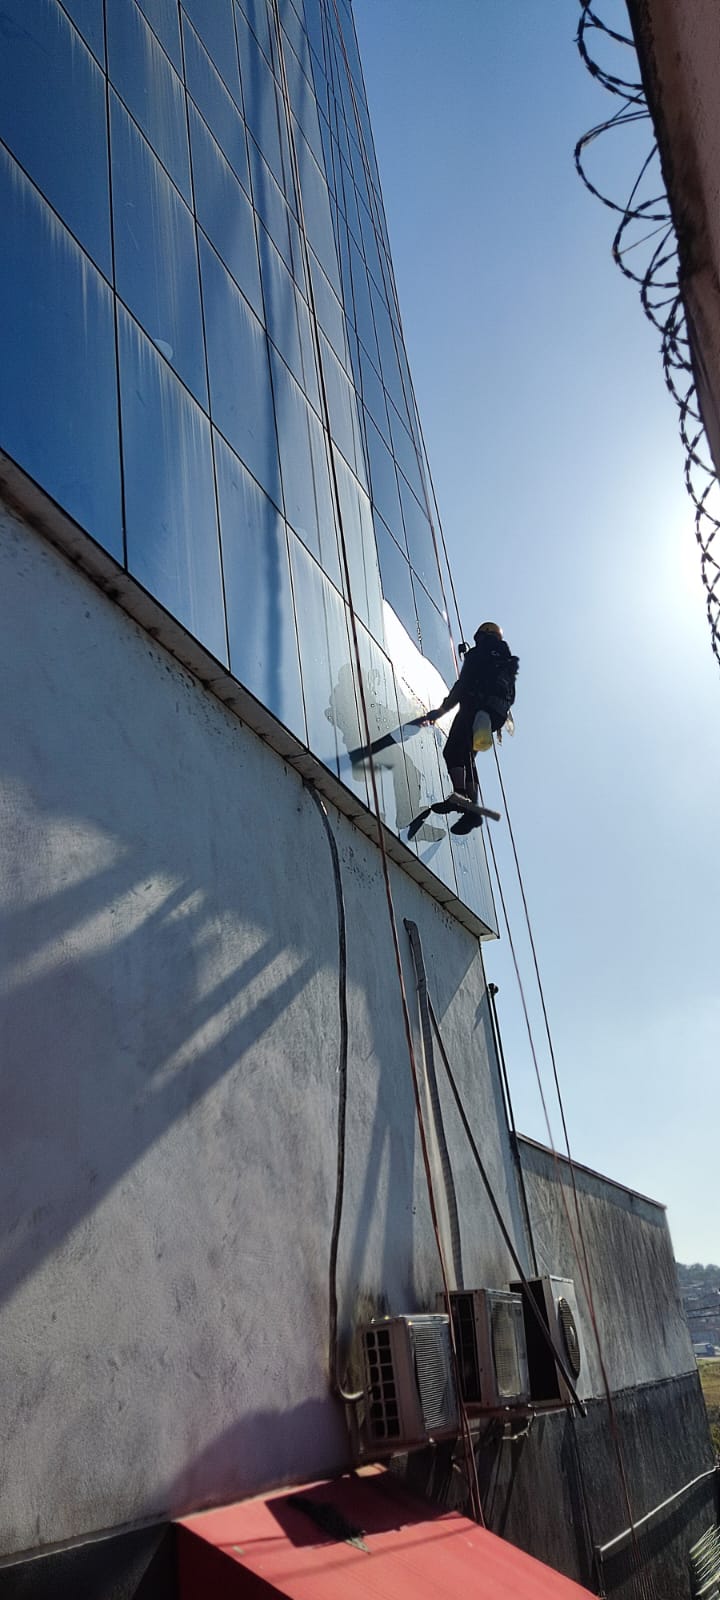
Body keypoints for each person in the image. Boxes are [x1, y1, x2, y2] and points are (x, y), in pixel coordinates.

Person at [424, 622, 519, 829]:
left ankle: (460, 796)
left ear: (483, 636)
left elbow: (463, 685)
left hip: (476, 707)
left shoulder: (478, 654)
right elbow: (511, 696)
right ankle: (471, 810)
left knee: (453, 751)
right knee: (467, 757)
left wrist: (442, 711)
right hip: (494, 716)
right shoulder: (506, 662)